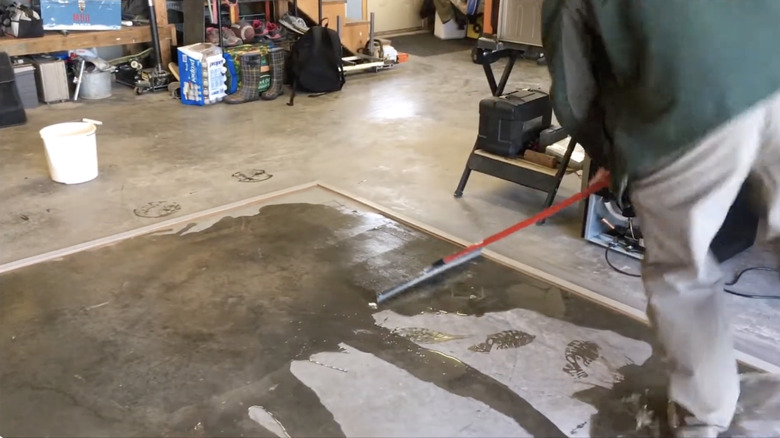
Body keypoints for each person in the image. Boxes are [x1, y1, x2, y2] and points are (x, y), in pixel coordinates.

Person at [541, 1, 780, 436]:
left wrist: (618, 157)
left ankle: (702, 417)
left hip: (688, 105)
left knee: (681, 274)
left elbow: (574, 96)